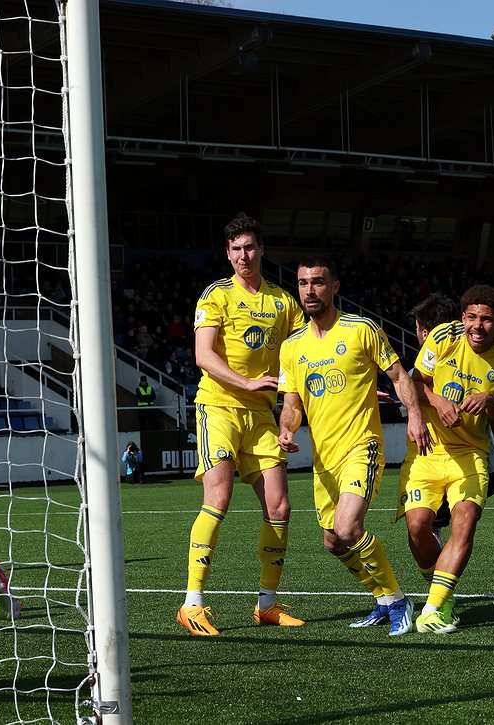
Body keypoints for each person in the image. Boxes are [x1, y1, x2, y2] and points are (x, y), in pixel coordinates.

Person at [278, 256, 431, 636]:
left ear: (334, 287)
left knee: (348, 527)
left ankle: (397, 601)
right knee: (333, 542)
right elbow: (292, 405)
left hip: (362, 446)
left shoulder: (362, 329)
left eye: (317, 282)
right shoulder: (291, 347)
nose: (309, 290)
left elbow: (398, 375)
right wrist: (286, 430)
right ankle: (381, 600)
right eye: (302, 283)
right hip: (324, 460)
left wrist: (414, 414)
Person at [179, 212, 306, 636]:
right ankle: (192, 603)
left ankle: (267, 604)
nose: (243, 255)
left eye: (249, 247)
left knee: (280, 506)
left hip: (261, 416)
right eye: (235, 249)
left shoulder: (284, 303)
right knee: (219, 496)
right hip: (217, 407)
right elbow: (204, 356)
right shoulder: (215, 295)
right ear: (227, 253)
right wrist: (249, 381)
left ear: (262, 250)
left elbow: (305, 356)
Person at [398, 285, 494, 634]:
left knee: (465, 520)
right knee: (419, 527)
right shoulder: (442, 336)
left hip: (471, 454)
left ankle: (435, 608)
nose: (477, 326)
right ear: (462, 316)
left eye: (486, 320)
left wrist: (491, 402)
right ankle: (443, 586)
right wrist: (437, 403)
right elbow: (415, 383)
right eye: (471, 317)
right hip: (429, 451)